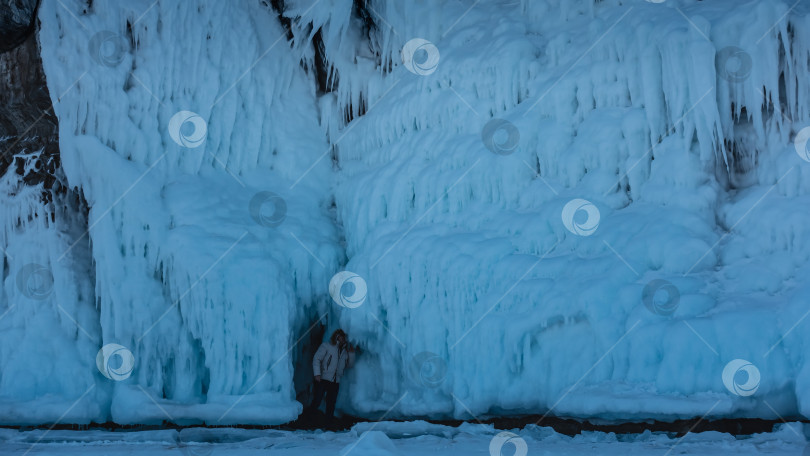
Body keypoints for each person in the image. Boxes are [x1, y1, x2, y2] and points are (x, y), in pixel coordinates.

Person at [308, 329, 355, 419]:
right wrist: (317, 374)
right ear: (336, 336)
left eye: (344, 337)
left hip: (335, 381)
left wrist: (351, 354)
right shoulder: (326, 346)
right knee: (317, 401)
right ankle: (309, 421)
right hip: (323, 378)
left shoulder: (345, 352)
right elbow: (316, 359)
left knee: (331, 404)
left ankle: (328, 425)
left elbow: (349, 365)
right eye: (341, 337)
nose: (342, 339)